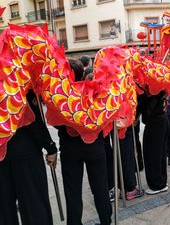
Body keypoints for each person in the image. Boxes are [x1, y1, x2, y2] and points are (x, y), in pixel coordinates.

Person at [57, 59, 112, 225]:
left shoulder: (59, 94)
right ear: (82, 73)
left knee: (72, 191)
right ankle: (105, 221)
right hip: (94, 146)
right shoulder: (95, 91)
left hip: (69, 149)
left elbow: (54, 121)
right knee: (101, 187)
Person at [0, 89, 57, 225]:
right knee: (34, 203)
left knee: (4, 208)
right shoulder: (17, 80)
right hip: (25, 153)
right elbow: (33, 120)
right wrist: (50, 147)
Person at [138, 89, 169, 195]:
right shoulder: (159, 86)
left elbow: (142, 105)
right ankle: (161, 182)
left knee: (153, 154)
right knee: (159, 154)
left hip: (155, 124)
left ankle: (157, 184)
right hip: (160, 121)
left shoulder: (152, 88)